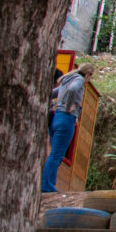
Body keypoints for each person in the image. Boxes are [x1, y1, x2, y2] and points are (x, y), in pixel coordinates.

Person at [41, 63, 94, 193]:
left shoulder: (67, 79)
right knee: (56, 154)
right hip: (66, 118)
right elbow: (72, 90)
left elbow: (52, 93)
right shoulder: (79, 80)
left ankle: (47, 183)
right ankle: (46, 186)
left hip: (55, 118)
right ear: (88, 75)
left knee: (54, 154)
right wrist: (68, 106)